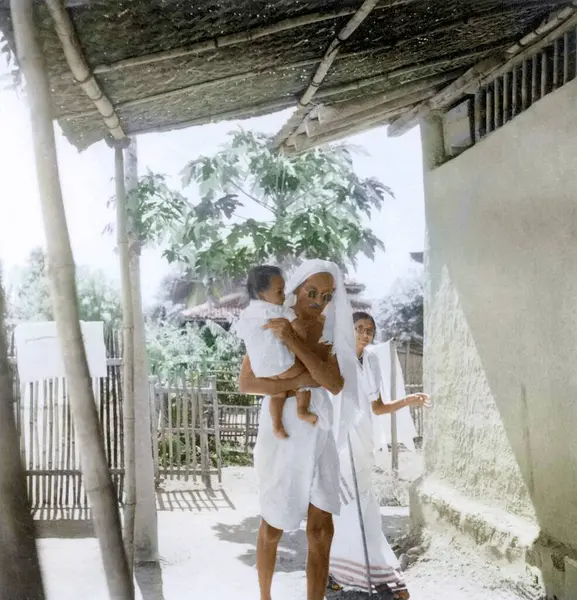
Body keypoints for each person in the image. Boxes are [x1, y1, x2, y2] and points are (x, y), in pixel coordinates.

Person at [239, 259, 361, 600]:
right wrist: (306, 377)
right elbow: (247, 382)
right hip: (285, 432)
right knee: (274, 523)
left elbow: (334, 383)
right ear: (295, 287)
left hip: (319, 427)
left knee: (322, 529)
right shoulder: (271, 319)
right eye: (312, 291)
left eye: (326, 295)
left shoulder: (330, 328)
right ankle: (264, 596)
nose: (318, 301)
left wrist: (293, 342)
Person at [328, 312, 430, 600]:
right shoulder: (335, 358)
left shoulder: (371, 359)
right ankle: (384, 576)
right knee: (351, 507)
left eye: (369, 330)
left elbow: (378, 407)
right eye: (359, 328)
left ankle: (339, 572)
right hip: (340, 442)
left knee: (365, 507)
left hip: (364, 440)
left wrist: (409, 400)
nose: (364, 334)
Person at [233, 265, 317, 440]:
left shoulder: (247, 313)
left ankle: (277, 425)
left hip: (262, 369)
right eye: (280, 291)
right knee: (306, 380)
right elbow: (298, 328)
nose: (284, 296)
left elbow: (242, 332)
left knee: (277, 395)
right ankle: (302, 410)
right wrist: (298, 328)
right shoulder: (279, 309)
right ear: (262, 293)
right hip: (282, 364)